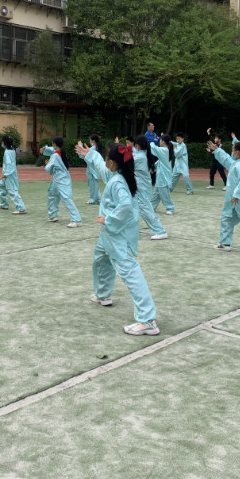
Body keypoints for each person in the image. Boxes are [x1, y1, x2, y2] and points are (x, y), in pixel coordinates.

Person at [76, 141, 160, 336]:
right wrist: (90, 155)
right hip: (108, 235)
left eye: (107, 159)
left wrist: (109, 219)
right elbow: (101, 168)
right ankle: (103, 294)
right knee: (100, 259)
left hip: (115, 234)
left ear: (113, 163)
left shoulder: (119, 183)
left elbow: (126, 207)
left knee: (129, 271)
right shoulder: (117, 176)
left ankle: (147, 319)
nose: (105, 162)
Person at [133, 135, 168, 240]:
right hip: (139, 187)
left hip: (140, 188)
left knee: (145, 210)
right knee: (132, 208)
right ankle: (130, 228)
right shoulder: (142, 154)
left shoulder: (140, 157)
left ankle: (160, 231)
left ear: (138, 145)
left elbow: (127, 164)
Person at [44, 136, 82, 227]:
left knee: (66, 198)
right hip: (58, 179)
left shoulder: (55, 155)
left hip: (61, 179)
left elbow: (49, 168)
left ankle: (77, 220)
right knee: (52, 194)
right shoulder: (60, 153)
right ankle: (53, 215)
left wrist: (47, 163)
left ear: (54, 144)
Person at [0, 134, 27, 215]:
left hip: (9, 175)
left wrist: (6, 174)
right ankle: (4, 204)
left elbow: (9, 164)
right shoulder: (12, 151)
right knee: (1, 186)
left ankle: (21, 208)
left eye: (2, 141)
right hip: (8, 174)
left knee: (12, 191)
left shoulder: (7, 152)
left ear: (4, 143)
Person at [150, 134, 175, 215]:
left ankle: (170, 208)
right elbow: (160, 162)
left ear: (163, 141)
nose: (159, 141)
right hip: (161, 176)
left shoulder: (164, 150)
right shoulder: (166, 150)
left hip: (163, 177)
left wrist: (152, 142)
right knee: (156, 195)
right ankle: (151, 207)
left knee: (165, 195)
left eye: (160, 140)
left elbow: (153, 148)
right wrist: (153, 167)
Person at [82, 134, 102, 205]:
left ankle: (93, 200)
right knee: (95, 185)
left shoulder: (93, 148)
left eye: (90, 140)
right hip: (95, 168)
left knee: (92, 185)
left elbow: (83, 155)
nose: (89, 141)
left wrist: (80, 146)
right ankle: (99, 199)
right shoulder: (97, 148)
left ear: (93, 141)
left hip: (92, 169)